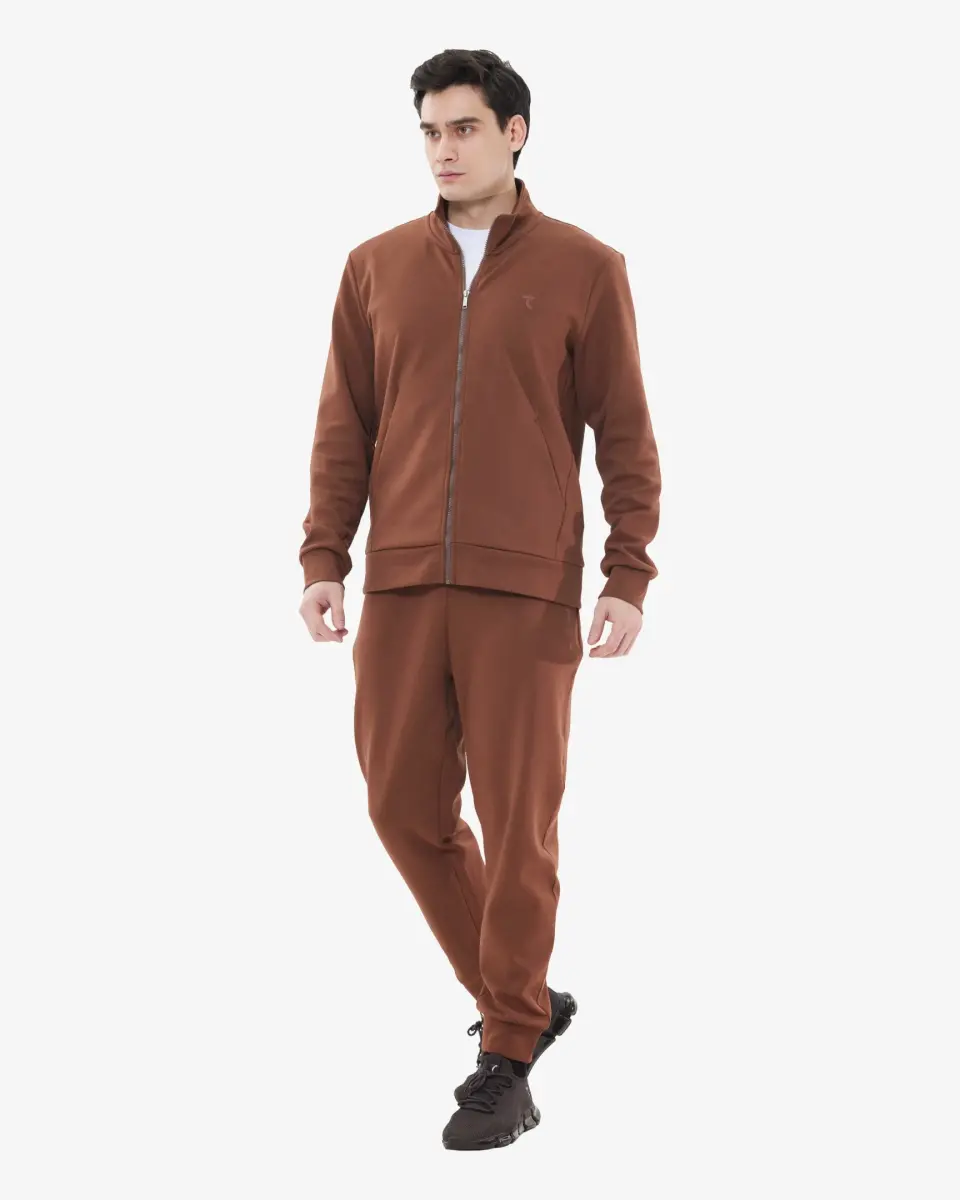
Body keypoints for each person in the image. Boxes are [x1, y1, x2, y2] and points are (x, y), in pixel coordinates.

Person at [298, 48, 661, 1151]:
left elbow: (625, 432)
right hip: (404, 581)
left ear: (514, 133)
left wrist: (628, 572)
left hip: (526, 590)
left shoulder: (586, 267)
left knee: (519, 822)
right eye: (429, 131)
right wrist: (324, 556)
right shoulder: (373, 268)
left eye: (463, 128)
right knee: (401, 807)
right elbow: (344, 426)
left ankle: (507, 1053)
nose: (443, 149)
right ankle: (527, 1001)